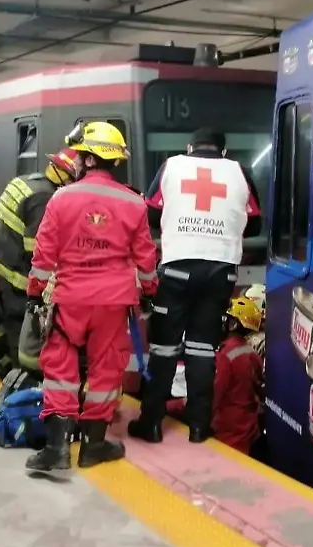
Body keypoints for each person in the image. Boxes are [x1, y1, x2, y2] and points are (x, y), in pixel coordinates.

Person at [24, 121, 158, 473]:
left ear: (85, 158)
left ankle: (56, 448)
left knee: (60, 369)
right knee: (105, 370)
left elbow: (43, 254)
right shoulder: (134, 202)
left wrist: (35, 293)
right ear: (115, 162)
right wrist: (149, 292)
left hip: (70, 300)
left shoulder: (61, 197)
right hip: (114, 303)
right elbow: (146, 259)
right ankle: (93, 446)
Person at [129, 127, 262, 444]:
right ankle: (200, 427)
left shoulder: (172, 165)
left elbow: (149, 212)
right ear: (223, 151)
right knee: (203, 347)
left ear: (189, 148)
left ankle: (152, 423)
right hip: (221, 271)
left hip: (178, 266)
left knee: (164, 348)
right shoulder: (239, 171)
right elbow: (255, 222)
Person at [0, 147, 79, 376]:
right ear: (67, 177)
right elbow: (35, 251)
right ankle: (19, 373)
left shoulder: (28, 181)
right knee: (20, 324)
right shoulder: (44, 198)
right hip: (8, 271)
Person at [166, 296, 264, 454]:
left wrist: (169, 407)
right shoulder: (251, 353)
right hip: (247, 432)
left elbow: (208, 398)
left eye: (224, 319)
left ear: (232, 324)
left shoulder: (225, 356)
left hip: (227, 437)